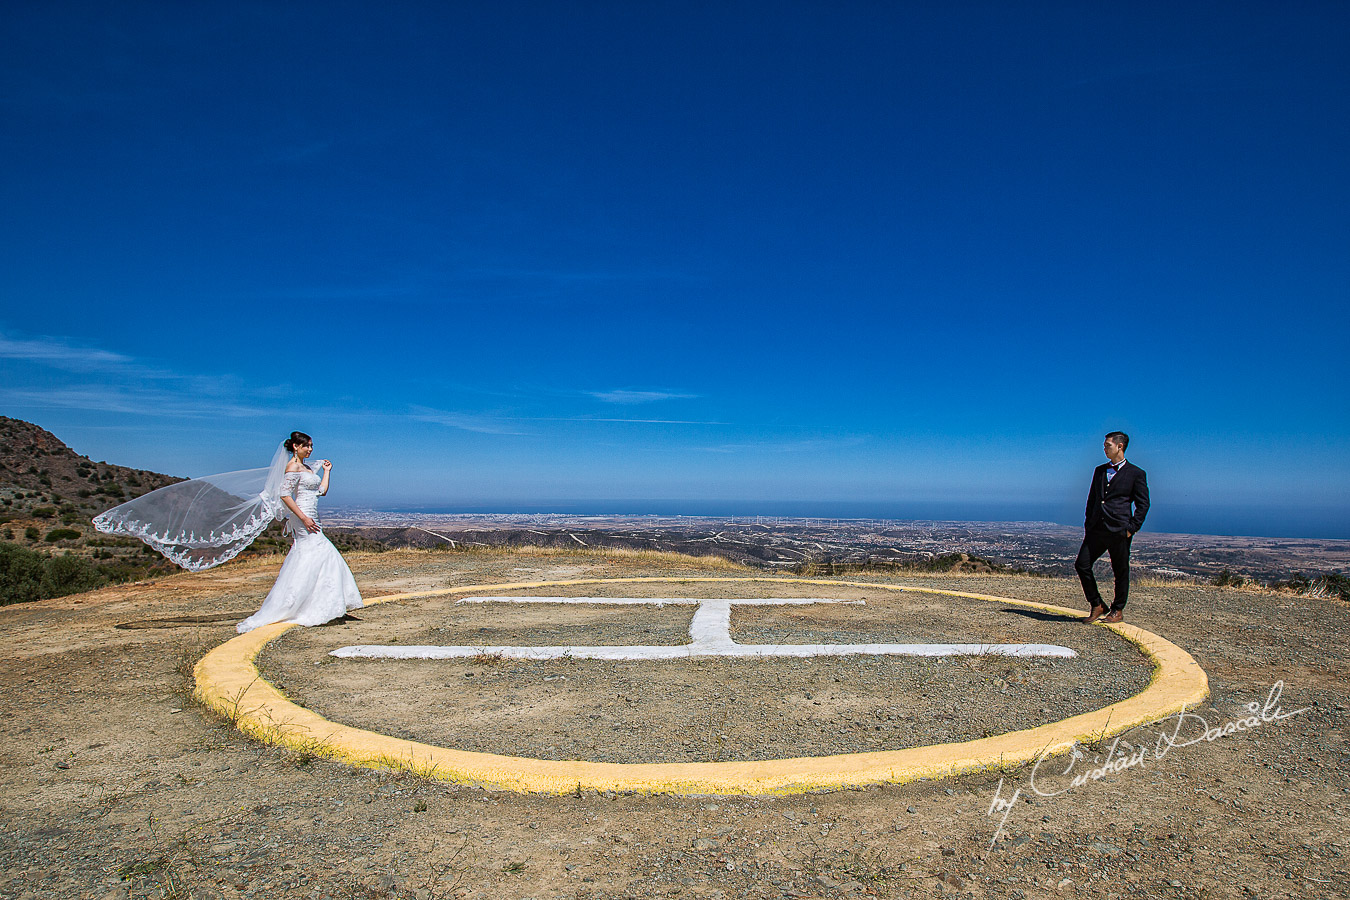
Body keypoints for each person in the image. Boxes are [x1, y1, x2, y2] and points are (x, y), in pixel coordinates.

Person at [236, 432, 363, 633]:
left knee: (311, 556)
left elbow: (321, 491)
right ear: (296, 446)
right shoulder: (293, 467)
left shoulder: (306, 468)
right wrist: (302, 517)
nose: (310, 449)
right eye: (307, 446)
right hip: (303, 516)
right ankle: (309, 604)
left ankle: (312, 603)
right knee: (323, 553)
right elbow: (284, 494)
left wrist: (327, 471)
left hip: (312, 515)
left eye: (311, 446)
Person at [1076, 431, 1149, 624]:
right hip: (1096, 529)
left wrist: (1131, 528)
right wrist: (1088, 523)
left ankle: (1117, 609)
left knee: (1120, 571)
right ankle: (1097, 603)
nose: (1104, 447)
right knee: (1082, 564)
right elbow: (1092, 499)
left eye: (1108, 445)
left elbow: (1143, 504)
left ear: (1120, 446)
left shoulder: (1136, 473)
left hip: (1119, 530)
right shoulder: (1099, 471)